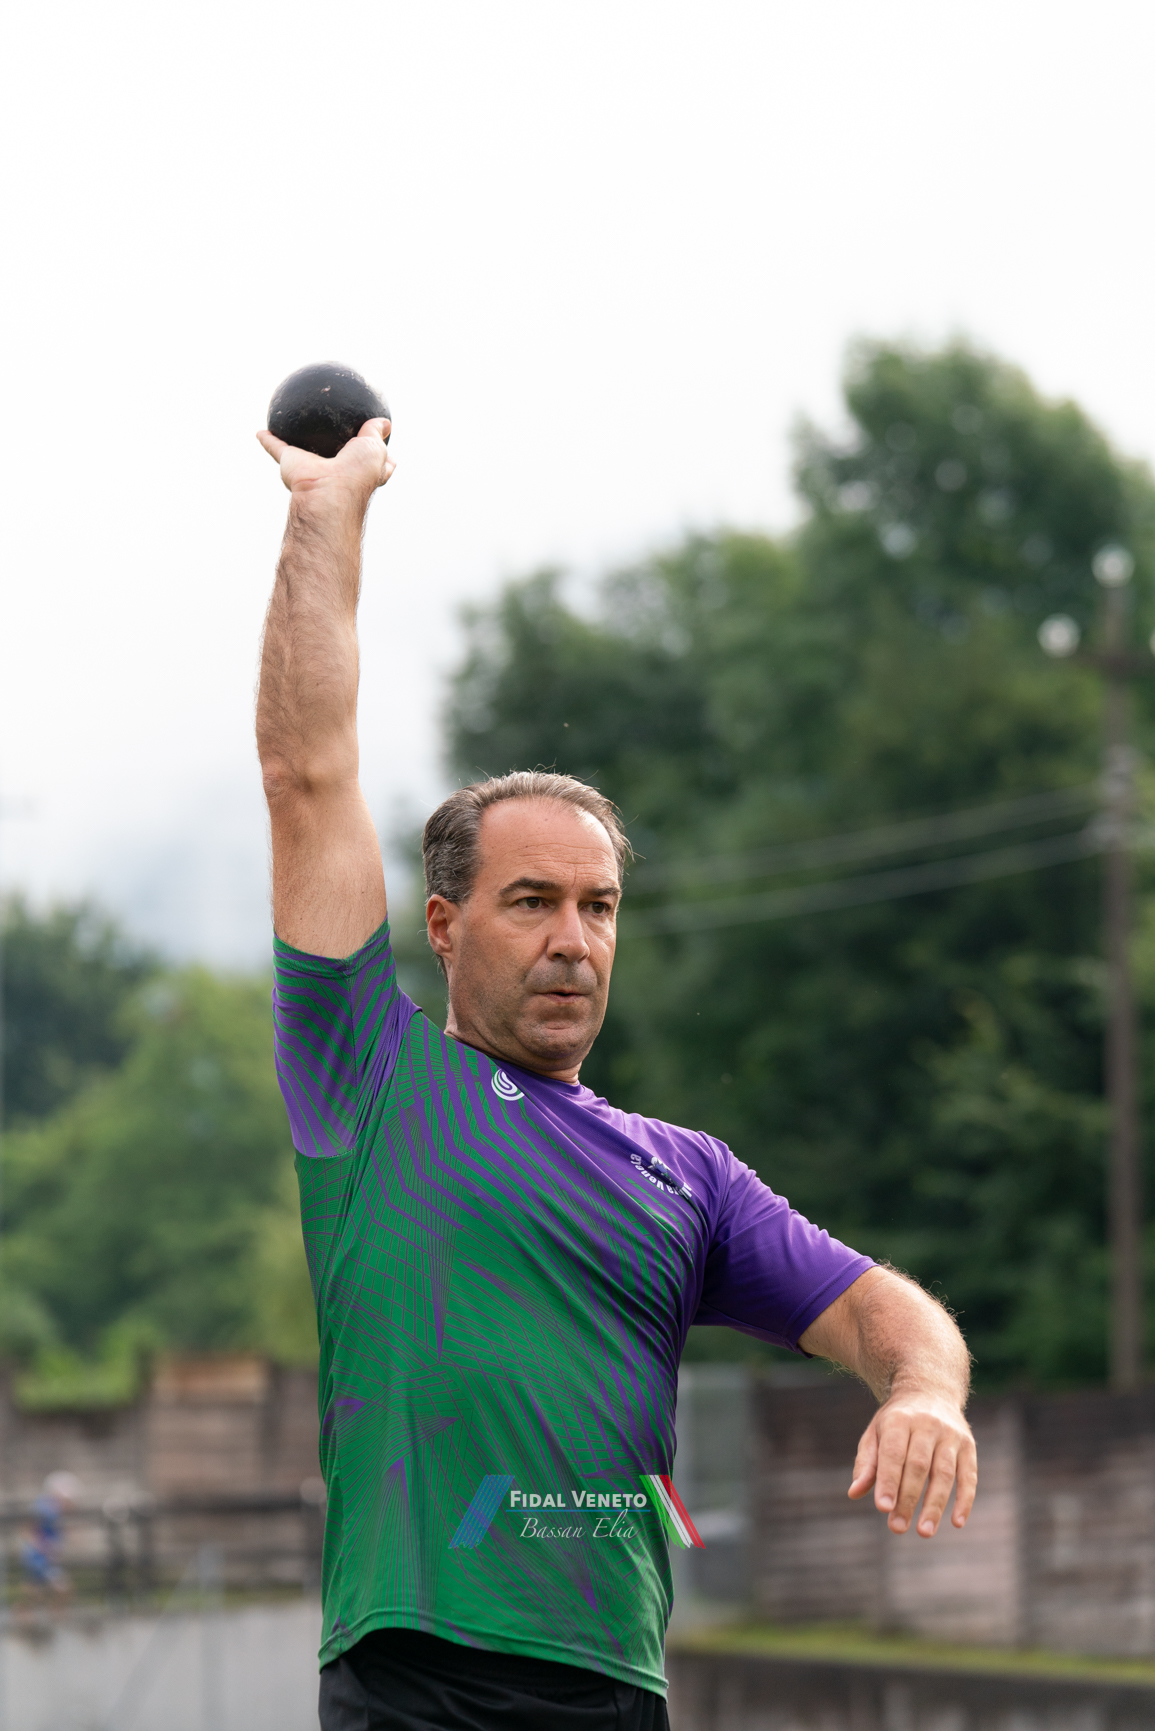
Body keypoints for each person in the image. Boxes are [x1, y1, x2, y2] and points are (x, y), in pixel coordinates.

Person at [256, 416, 977, 1731]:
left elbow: (885, 1311)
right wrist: (325, 514)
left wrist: (926, 1390)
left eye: (598, 907)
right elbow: (308, 776)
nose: (573, 940)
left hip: (613, 1688)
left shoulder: (687, 1176)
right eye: (532, 901)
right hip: (417, 1676)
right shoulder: (369, 1080)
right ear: (444, 925)